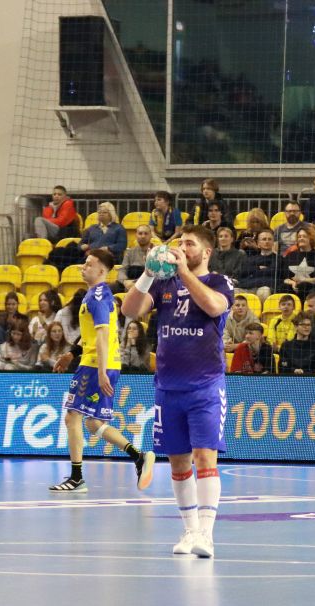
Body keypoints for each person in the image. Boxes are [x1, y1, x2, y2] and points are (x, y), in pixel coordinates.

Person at [122, 225, 234, 558]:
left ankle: (206, 535)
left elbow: (214, 307)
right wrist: (147, 274)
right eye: (180, 243)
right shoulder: (164, 283)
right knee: (178, 462)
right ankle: (189, 531)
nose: (182, 249)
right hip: (168, 387)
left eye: (190, 244)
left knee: (205, 457)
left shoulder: (219, 282)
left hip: (205, 385)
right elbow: (130, 311)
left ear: (206, 252)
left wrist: (184, 272)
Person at [50, 249, 156, 493]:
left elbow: (103, 335)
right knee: (93, 422)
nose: (83, 267)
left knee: (72, 417)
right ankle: (139, 457)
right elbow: (90, 334)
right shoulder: (96, 294)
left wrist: (100, 372)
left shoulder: (97, 297)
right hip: (100, 363)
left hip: (95, 365)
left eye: (89, 264)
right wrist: (72, 354)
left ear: (101, 270)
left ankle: (76, 478)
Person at [238, 231, 281, 300]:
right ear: (258, 243)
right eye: (264, 239)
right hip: (247, 287)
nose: (267, 241)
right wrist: (258, 268)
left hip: (265, 288)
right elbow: (242, 273)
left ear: (273, 242)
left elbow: (273, 272)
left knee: (264, 291)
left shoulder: (278, 259)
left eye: (269, 239)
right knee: (233, 291)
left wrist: (253, 271)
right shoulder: (250, 259)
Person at [281, 230, 315, 300]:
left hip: (310, 288)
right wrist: (292, 283)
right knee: (283, 288)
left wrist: (303, 280)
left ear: (311, 239)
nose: (301, 238)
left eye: (304, 236)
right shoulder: (290, 255)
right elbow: (285, 278)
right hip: (292, 287)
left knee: (304, 286)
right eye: (299, 237)